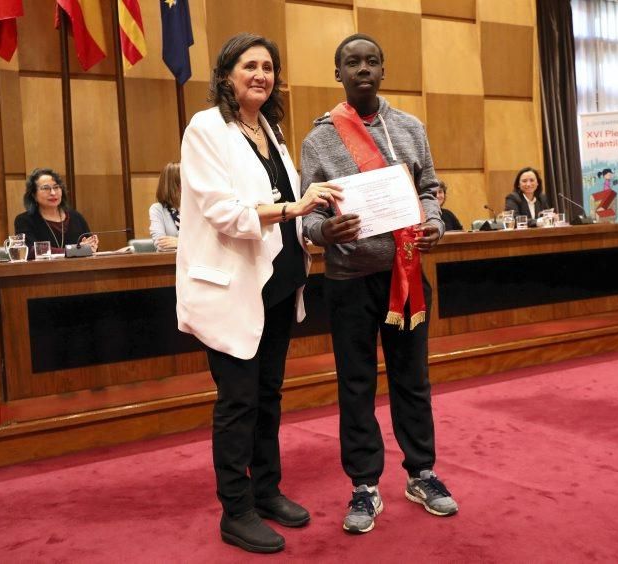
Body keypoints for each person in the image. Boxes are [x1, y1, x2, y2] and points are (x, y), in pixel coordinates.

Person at [175, 33, 342, 554]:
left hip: (277, 286)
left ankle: (266, 491)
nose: (261, 75)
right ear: (226, 74)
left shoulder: (269, 127)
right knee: (238, 402)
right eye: (250, 65)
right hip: (230, 290)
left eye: (268, 67)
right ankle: (236, 509)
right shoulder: (206, 129)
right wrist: (295, 208)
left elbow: (284, 202)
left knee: (269, 398)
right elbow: (225, 212)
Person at [300, 33, 458, 535]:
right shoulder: (318, 139)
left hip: (406, 276)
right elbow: (308, 215)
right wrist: (325, 231)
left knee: (413, 379)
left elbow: (430, 187)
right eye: (352, 62)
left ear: (383, 70)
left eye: (371, 60)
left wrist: (434, 222)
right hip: (349, 281)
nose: (362, 68)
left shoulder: (410, 127)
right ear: (338, 73)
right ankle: (364, 486)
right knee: (357, 384)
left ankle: (422, 473)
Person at [14, 168, 98, 256]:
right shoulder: (24, 220)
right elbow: (30, 250)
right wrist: (74, 250)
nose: (53, 193)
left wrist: (92, 246)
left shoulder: (76, 217)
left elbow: (88, 248)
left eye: (56, 187)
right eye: (46, 188)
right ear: (33, 195)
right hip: (44, 269)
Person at [149, 162, 181, 251]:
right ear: (174, 185)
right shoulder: (157, 209)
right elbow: (160, 244)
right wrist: (189, 245)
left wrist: (179, 242)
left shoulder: (196, 207)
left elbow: (205, 243)